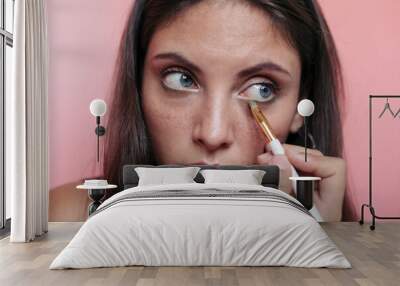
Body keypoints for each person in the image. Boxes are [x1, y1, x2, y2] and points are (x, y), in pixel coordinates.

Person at [104, 0, 353, 221]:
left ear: (301, 106)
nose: (213, 134)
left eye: (261, 89)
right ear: (138, 86)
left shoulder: (326, 225)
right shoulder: (71, 215)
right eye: (181, 79)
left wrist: (317, 233)